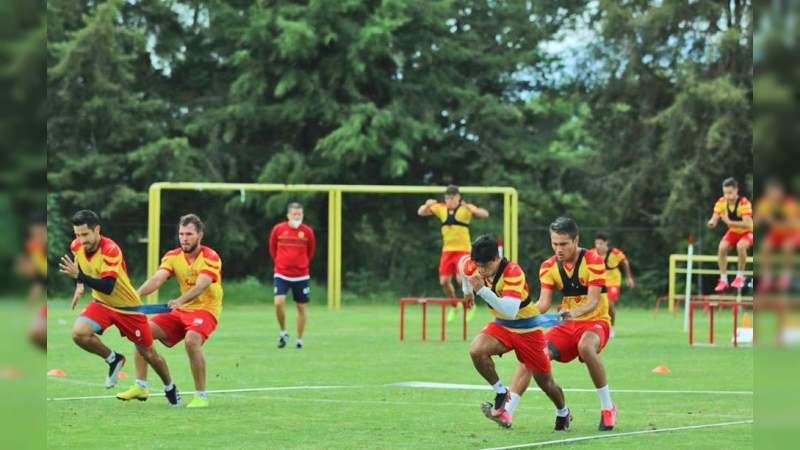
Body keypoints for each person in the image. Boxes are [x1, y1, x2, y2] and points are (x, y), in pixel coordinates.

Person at [507, 217, 617, 431]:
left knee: (586, 347)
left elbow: (594, 301)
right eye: (555, 244)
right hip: (567, 326)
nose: (559, 249)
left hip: (595, 321)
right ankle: (507, 411)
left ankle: (607, 407)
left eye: (564, 244)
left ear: (576, 241)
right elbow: (544, 304)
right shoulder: (548, 266)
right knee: (533, 353)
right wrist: (518, 314)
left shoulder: (594, 260)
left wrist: (573, 313)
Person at [58, 210, 179, 405]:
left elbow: (108, 286)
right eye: (77, 235)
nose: (81, 240)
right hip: (102, 304)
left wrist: (79, 278)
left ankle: (170, 387)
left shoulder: (110, 249)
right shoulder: (76, 246)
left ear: (97, 230)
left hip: (128, 308)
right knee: (79, 333)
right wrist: (79, 287)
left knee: (149, 354)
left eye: (85, 234)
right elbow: (79, 266)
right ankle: (114, 359)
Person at [462, 235, 569, 431]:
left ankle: (563, 412)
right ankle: (501, 392)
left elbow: (510, 310)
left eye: (485, 265)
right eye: (478, 264)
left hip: (527, 329)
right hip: (502, 326)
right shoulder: (473, 264)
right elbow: (463, 266)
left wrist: (480, 290)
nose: (481, 270)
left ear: (496, 258)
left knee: (545, 382)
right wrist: (467, 291)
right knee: (476, 350)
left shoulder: (513, 272)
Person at [117, 214, 222, 408]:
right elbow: (157, 279)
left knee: (192, 341)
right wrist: (135, 296)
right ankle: (141, 386)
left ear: (200, 235)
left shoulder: (210, 257)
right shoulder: (173, 256)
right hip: (181, 310)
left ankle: (201, 396)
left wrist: (180, 300)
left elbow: (201, 285)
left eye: (189, 234)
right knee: (140, 332)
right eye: (181, 234)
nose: (184, 238)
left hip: (206, 310)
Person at [418, 185, 489, 322]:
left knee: (460, 279)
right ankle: (454, 305)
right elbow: (421, 212)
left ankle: (470, 305)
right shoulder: (441, 208)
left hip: (463, 250)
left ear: (458, 198)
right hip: (447, 251)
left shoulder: (465, 209)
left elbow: (484, 214)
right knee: (444, 282)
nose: (449, 200)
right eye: (447, 198)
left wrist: (470, 208)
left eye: (452, 198)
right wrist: (427, 205)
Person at [269, 202, 315, 349]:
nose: (296, 216)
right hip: (282, 273)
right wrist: (281, 263)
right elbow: (272, 248)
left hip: (301, 275)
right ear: (288, 215)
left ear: (302, 215)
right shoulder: (278, 229)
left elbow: (311, 251)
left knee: (301, 307)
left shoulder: (307, 232)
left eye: (299, 214)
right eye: (294, 214)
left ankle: (299, 339)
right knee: (278, 302)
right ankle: (283, 332)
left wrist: (301, 263)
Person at [707, 177, 753, 292]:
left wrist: (728, 222)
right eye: (725, 193)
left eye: (730, 193)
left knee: (741, 246)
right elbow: (715, 216)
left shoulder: (744, 202)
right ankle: (723, 280)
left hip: (748, 231)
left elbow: (747, 224)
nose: (727, 196)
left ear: (736, 190)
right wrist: (712, 222)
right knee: (721, 248)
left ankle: (740, 276)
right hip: (733, 232)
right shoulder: (721, 202)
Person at [588, 232, 635, 337]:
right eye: (596, 244)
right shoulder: (591, 253)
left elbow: (625, 262)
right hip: (598, 282)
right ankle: (596, 326)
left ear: (606, 243)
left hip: (613, 281)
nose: (598, 246)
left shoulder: (615, 253)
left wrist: (629, 277)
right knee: (594, 305)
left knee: (609, 304)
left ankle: (611, 328)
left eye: (600, 244)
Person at [755, 179, 798, 292]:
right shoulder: (765, 203)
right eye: (769, 193)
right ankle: (767, 277)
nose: (771, 195)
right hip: (777, 232)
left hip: (794, 231)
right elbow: (755, 221)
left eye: (774, 192)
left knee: (787, 246)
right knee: (765, 246)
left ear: (780, 192)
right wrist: (758, 218)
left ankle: (786, 275)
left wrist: (770, 221)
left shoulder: (790, 203)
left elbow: (791, 224)